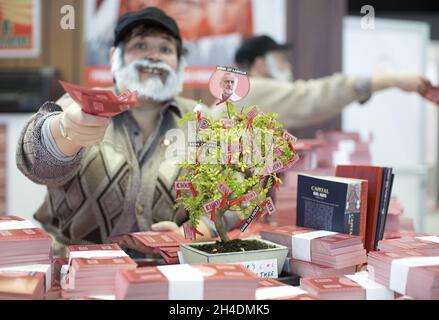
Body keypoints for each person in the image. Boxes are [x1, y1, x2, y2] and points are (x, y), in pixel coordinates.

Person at [16, 7, 237, 255]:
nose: (153, 56)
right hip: (76, 271)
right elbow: (34, 163)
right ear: (114, 57)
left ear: (179, 63)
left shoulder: (202, 120)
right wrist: (65, 131)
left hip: (170, 271)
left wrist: (196, 231)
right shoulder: (79, 105)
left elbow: (230, 195)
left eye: (165, 49)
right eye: (140, 46)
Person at [212, 35, 432, 128]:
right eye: (280, 59)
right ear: (260, 63)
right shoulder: (252, 90)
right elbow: (312, 97)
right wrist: (392, 80)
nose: (287, 66)